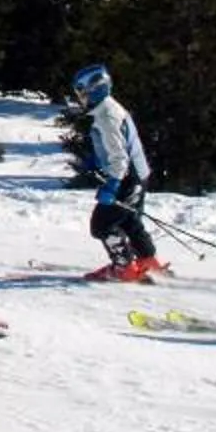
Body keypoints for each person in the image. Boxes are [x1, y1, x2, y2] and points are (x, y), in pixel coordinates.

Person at [71, 63, 165, 282]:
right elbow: (119, 147)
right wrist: (98, 160)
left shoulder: (107, 116)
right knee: (129, 220)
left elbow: (120, 157)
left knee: (102, 225)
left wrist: (113, 184)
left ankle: (124, 267)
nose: (80, 97)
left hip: (126, 178)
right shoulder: (109, 108)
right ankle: (147, 261)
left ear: (95, 89)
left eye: (81, 91)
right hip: (138, 175)